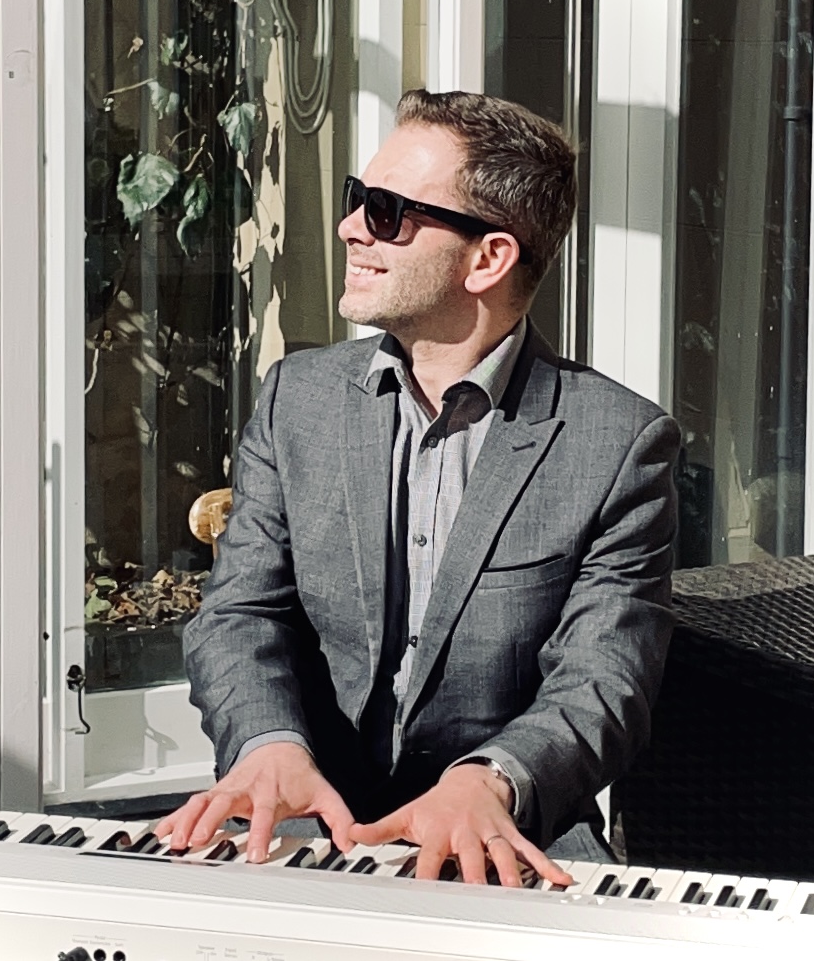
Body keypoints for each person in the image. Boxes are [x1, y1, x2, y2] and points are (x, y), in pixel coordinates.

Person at [155, 90, 679, 888]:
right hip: (303, 820)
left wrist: (492, 777)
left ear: (487, 258)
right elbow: (237, 614)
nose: (350, 227)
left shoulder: (618, 445)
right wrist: (266, 742)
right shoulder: (297, 397)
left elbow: (605, 680)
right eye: (357, 200)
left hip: (500, 835)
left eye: (388, 211)